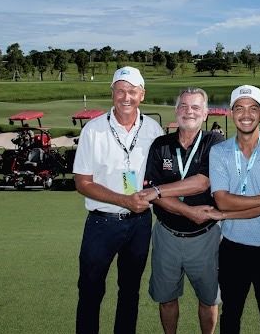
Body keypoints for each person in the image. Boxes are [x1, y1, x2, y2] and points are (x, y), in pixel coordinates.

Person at [73, 66, 164, 334]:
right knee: (90, 290)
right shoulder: (94, 130)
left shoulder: (154, 129)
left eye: (132, 91)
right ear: (112, 92)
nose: (126, 97)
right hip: (102, 223)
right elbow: (83, 182)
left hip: (140, 224)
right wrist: (124, 201)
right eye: (121, 90)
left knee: (130, 291)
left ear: (142, 95)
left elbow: (160, 176)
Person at [140, 87, 225, 334]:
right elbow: (151, 192)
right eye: (184, 106)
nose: (190, 111)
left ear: (206, 113)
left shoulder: (214, 142)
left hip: (206, 237)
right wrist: (187, 210)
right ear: (177, 111)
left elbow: (203, 181)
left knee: (209, 300)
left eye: (196, 107)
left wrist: (159, 191)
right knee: (166, 298)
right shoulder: (160, 145)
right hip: (166, 235)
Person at [209, 85, 260, 334]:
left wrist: (224, 215)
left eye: (253, 108)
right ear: (231, 113)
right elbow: (222, 199)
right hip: (233, 249)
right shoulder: (219, 151)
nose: (246, 114)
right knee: (231, 314)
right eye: (240, 108)